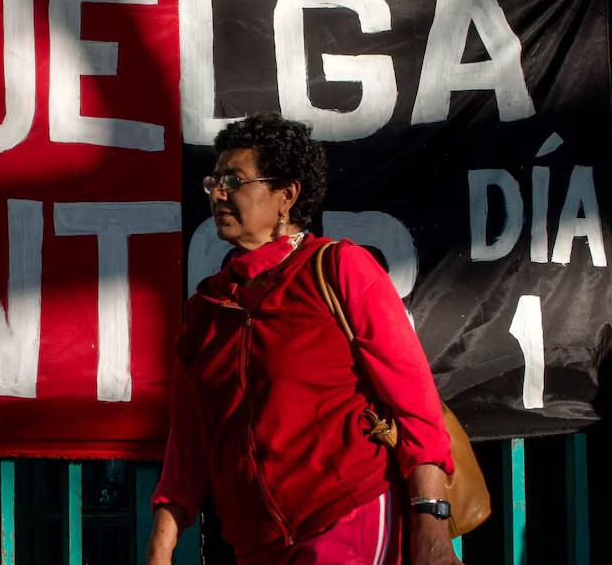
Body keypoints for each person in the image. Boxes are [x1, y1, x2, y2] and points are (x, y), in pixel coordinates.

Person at [145, 113, 461, 565]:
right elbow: (189, 445)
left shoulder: (339, 269)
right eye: (215, 180)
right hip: (255, 542)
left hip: (348, 515)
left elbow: (415, 406)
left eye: (234, 179)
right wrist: (161, 547)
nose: (217, 193)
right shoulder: (206, 312)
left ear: (286, 195)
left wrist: (431, 529)